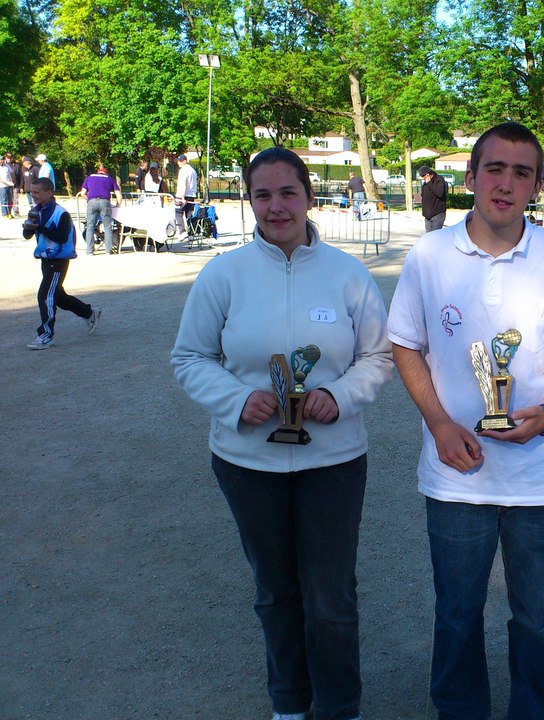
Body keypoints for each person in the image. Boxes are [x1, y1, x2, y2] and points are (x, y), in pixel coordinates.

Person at [387, 121, 544, 720]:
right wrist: (438, 423)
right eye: (495, 169)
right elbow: (405, 343)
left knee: (538, 619)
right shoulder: (430, 256)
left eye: (522, 172)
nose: (506, 183)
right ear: (471, 177)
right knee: (456, 611)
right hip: (457, 473)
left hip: (540, 479)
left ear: (536, 185)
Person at [170, 146, 393, 720]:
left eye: (287, 192)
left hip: (334, 464)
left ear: (309, 197)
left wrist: (338, 397)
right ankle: (290, 703)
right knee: (275, 592)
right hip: (247, 465)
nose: (276, 206)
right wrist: (238, 399)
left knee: (331, 599)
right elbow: (191, 357)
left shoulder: (348, 275)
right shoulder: (223, 274)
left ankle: (340, 706)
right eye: (262, 194)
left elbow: (378, 356)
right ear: (250, 201)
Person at [23, 177, 102, 349]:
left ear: (49, 193)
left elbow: (60, 237)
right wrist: (29, 227)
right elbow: (27, 236)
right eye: (31, 192)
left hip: (58, 261)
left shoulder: (62, 213)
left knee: (45, 296)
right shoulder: (37, 210)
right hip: (45, 260)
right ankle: (89, 313)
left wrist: (39, 228)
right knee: (58, 297)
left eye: (36, 192)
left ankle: (46, 335)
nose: (33, 195)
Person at [77, 164, 124, 255]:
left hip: (92, 202)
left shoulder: (89, 178)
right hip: (105, 202)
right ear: (106, 173)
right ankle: (108, 250)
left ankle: (90, 251)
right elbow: (119, 197)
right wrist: (117, 206)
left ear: (98, 171)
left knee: (90, 226)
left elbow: (82, 193)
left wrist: (89, 199)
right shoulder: (109, 179)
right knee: (107, 227)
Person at [417, 165, 447, 232]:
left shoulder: (439, 179)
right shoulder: (425, 183)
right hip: (427, 215)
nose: (422, 178)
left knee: (435, 237)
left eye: (423, 176)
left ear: (427, 175)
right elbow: (423, 195)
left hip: (437, 214)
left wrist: (429, 183)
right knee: (428, 237)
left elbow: (440, 193)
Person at [174, 154, 198, 235]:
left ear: (184, 161)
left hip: (182, 195)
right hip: (191, 195)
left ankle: (182, 231)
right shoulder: (192, 170)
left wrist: (182, 196)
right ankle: (191, 233)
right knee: (189, 214)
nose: (178, 163)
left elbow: (182, 184)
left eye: (179, 161)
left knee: (178, 213)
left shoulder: (183, 170)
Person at [0, 153, 14, 218]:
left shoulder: (6, 166)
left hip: (8, 185)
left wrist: (11, 182)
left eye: (2, 159)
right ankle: (4, 213)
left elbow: (9, 175)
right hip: (2, 186)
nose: (1, 160)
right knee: (4, 200)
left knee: (9, 199)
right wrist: (7, 182)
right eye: (0, 159)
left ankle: (9, 213)